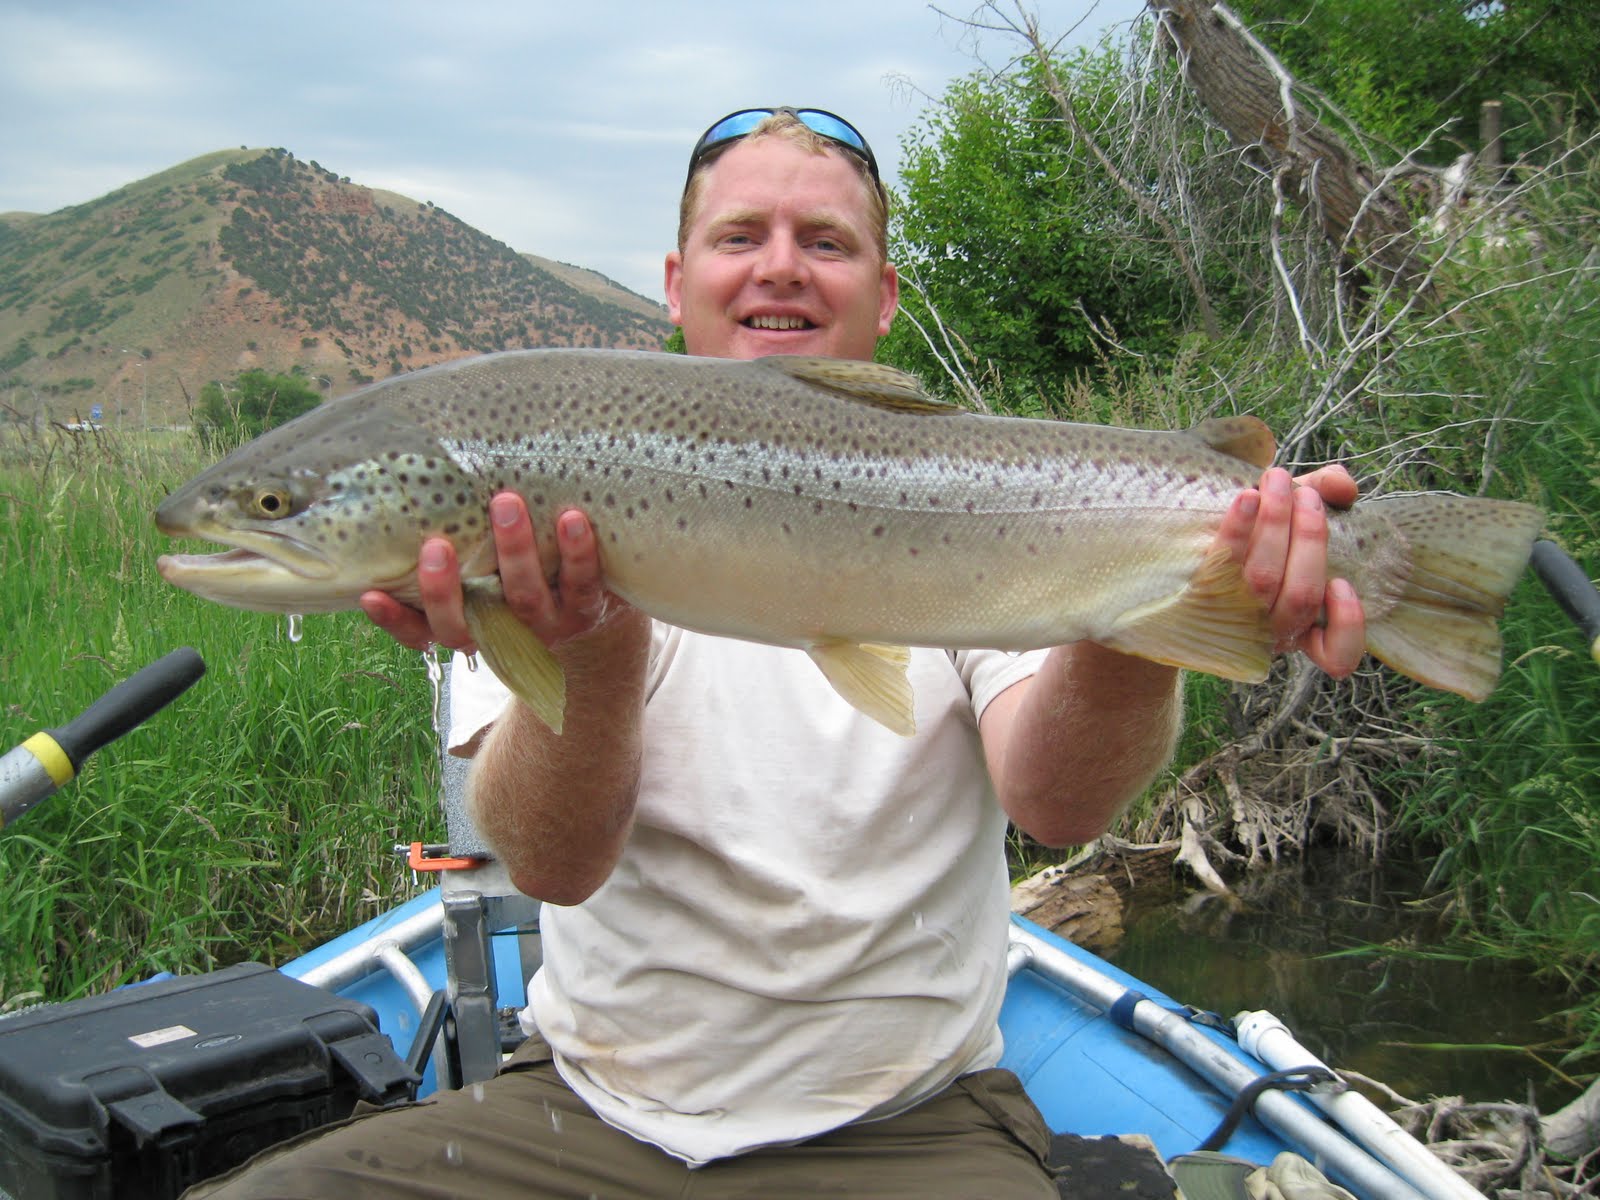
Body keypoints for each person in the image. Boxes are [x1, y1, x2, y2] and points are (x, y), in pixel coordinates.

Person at [188, 107, 1364, 1199]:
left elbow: (1056, 808)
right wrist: (590, 659)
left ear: (886, 294)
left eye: (826, 240)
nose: (780, 265)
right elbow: (548, 867)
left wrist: (1156, 609)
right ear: (675, 281)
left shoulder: (988, 490)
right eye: (739, 234)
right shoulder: (519, 543)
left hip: (915, 1124)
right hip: (593, 1115)